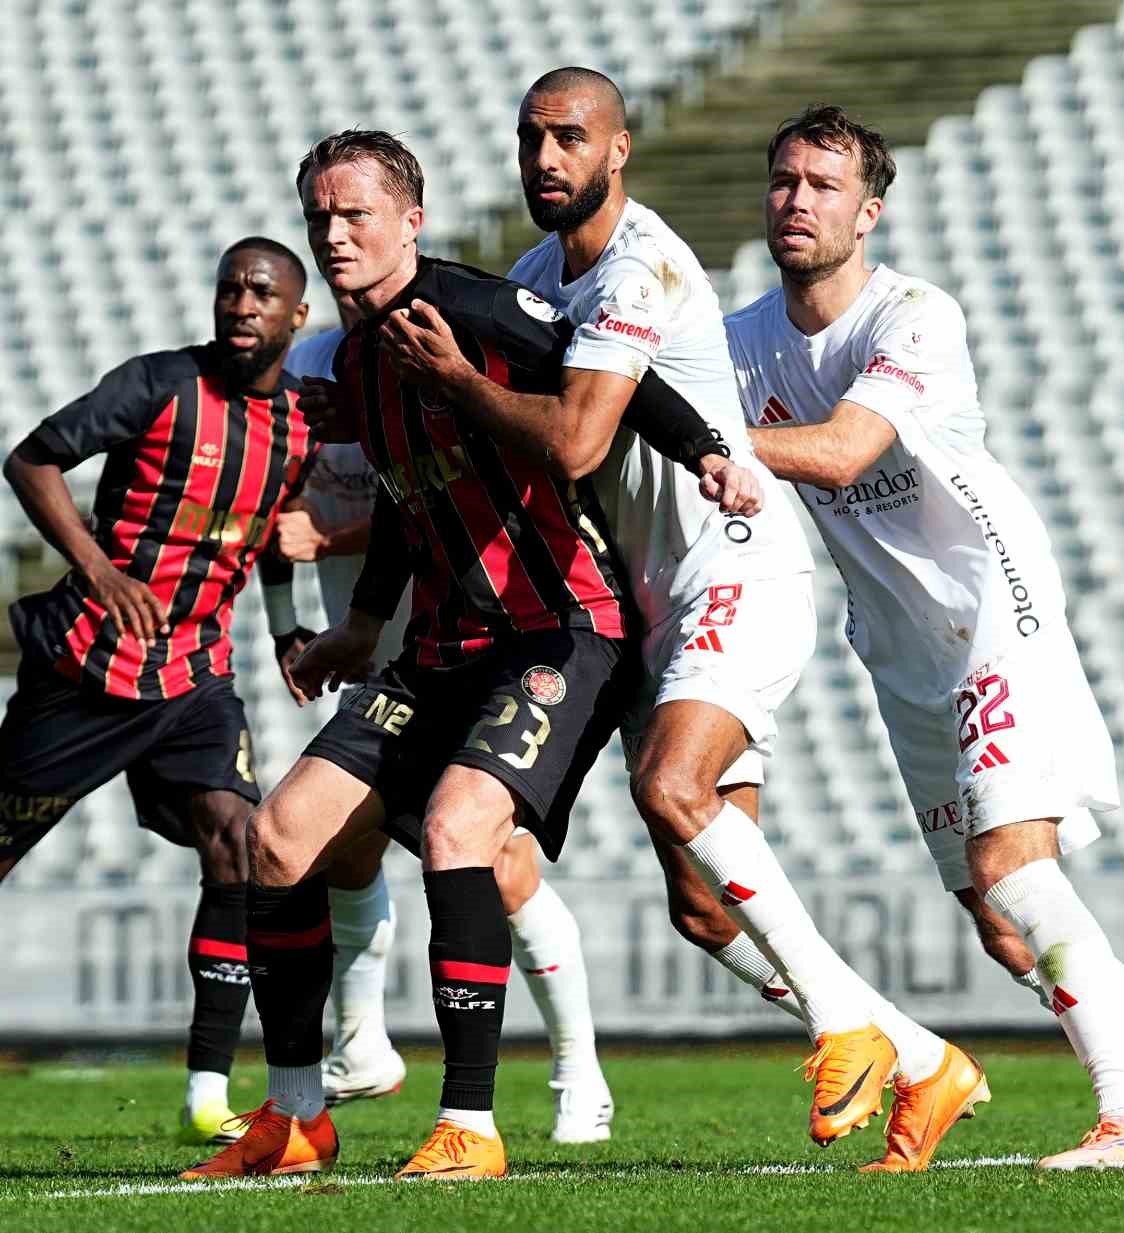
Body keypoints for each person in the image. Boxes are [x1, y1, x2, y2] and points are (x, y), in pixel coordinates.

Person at [382, 67, 979, 1166]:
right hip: (639, 603)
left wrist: (459, 381)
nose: (546, 158)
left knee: (671, 784)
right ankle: (920, 1056)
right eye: (531, 138)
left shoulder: (640, 266)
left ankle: (846, 1027)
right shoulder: (535, 277)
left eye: (570, 137)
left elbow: (574, 443)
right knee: (702, 911)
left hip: (730, 573)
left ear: (617, 151)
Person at [181, 128, 756, 1184]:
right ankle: (297, 1116)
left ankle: (469, 1124)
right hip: (441, 647)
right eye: (320, 217)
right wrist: (363, 625)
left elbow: (611, 383)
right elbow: (412, 499)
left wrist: (710, 452)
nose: (334, 234)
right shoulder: (357, 360)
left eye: (356, 214)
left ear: (412, 220)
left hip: (560, 630)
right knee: (278, 838)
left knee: (459, 830)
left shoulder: (476, 309)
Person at [727, 104, 1124, 1170]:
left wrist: (697, 432)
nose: (798, 200)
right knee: (999, 918)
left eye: (824, 186)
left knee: (1011, 861)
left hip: (990, 608)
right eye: (785, 180)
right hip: (897, 641)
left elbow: (840, 453)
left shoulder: (914, 314)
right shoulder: (742, 341)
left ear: (867, 213)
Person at [0, 237, 318, 1148]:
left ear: (295, 316)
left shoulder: (303, 425)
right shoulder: (160, 384)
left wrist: (283, 629)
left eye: (261, 293)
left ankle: (205, 1092)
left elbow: (268, 534)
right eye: (230, 288)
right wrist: (100, 570)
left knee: (238, 840)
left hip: (193, 676)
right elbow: (31, 460)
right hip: (88, 670)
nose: (241, 305)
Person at [279, 306, 617, 1142]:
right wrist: (294, 623)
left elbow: (450, 490)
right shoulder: (309, 377)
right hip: (385, 649)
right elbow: (276, 520)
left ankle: (578, 1068)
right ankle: (360, 1044)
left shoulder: (440, 350)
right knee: (333, 843)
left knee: (496, 861)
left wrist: (331, 539)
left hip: (469, 640)